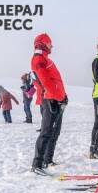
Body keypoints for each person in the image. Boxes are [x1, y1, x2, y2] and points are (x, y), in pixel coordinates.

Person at [31, 33, 68, 173]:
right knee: (46, 131)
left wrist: (64, 96)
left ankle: (47, 159)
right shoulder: (38, 59)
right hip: (50, 100)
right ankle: (37, 165)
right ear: (42, 43)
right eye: (49, 43)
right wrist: (59, 97)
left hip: (56, 99)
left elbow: (55, 82)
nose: (51, 46)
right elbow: (46, 82)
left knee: (55, 131)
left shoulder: (45, 59)